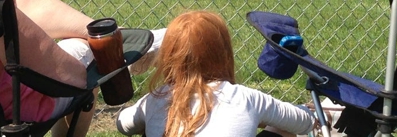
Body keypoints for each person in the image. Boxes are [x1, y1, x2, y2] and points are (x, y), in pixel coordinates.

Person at [3, 0, 165, 137]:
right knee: (92, 51)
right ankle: (112, 43)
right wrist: (87, 75)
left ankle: (113, 38)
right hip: (19, 105)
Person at [116, 10, 316, 137]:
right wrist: (264, 118)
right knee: (282, 129)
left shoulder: (155, 99)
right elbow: (305, 122)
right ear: (224, 53)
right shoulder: (246, 99)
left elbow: (122, 124)